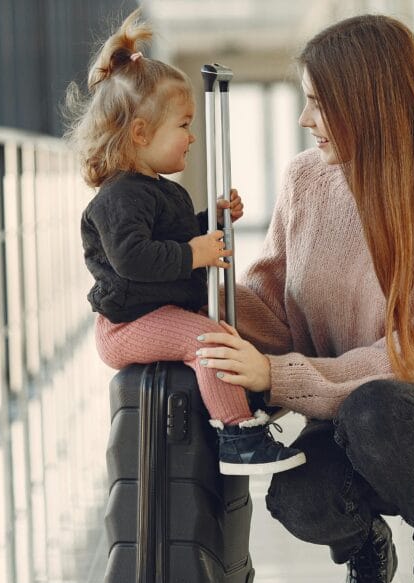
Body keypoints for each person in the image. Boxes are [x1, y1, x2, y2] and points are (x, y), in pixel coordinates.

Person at [194, 14, 414, 583]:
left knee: (379, 408)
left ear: (367, 105)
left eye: (319, 104)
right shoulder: (304, 181)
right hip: (345, 412)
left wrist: (276, 376)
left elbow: (410, 363)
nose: (304, 120)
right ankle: (367, 552)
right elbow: (273, 302)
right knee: (296, 496)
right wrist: (204, 289)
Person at [64, 10, 306, 476]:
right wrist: (196, 252)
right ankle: (237, 435)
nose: (192, 137)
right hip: (126, 325)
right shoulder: (119, 196)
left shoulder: (158, 188)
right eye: (183, 126)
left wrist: (207, 221)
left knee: (226, 325)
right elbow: (134, 258)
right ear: (140, 133)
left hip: (158, 309)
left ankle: (253, 391)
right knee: (207, 340)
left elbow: (168, 238)